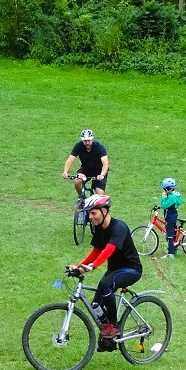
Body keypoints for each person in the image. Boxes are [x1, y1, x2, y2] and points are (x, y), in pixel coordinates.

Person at [66, 193, 140, 346]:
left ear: (104, 211)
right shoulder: (99, 229)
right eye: (88, 213)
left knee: (105, 285)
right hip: (114, 270)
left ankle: (113, 326)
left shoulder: (120, 227)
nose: (90, 217)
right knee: (95, 306)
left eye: (93, 213)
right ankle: (110, 340)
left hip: (131, 270)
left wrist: (93, 266)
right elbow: (96, 251)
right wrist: (79, 266)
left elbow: (108, 250)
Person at [63, 129, 109, 199]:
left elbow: (105, 163)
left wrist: (102, 175)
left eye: (89, 140)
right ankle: (82, 198)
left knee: (99, 195)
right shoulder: (78, 146)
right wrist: (65, 172)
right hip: (86, 169)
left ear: (92, 139)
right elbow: (70, 159)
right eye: (85, 141)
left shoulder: (99, 147)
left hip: (99, 171)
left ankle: (105, 202)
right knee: (77, 180)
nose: (87, 143)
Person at [159, 177, 183, 258]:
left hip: (170, 218)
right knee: (173, 234)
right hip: (173, 216)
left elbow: (164, 205)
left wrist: (163, 197)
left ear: (167, 189)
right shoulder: (174, 196)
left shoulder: (171, 197)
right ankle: (174, 248)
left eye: (164, 189)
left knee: (170, 236)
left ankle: (171, 254)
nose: (163, 191)